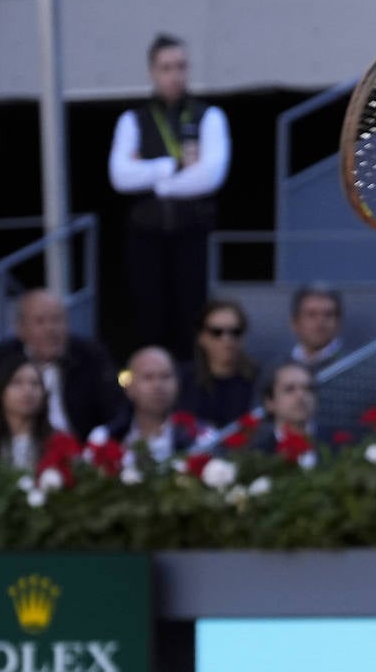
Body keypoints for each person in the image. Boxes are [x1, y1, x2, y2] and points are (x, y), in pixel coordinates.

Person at [108, 33, 231, 361]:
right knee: (147, 318)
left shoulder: (209, 116)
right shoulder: (132, 120)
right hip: (146, 237)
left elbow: (209, 176)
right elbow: (120, 177)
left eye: (181, 66)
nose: (174, 75)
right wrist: (174, 166)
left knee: (194, 318)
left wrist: (154, 179)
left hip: (192, 235)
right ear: (152, 72)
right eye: (166, 67)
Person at [0, 288, 121, 442]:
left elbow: (117, 411)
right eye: (40, 321)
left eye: (57, 320)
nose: (51, 329)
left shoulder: (90, 356)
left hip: (78, 457)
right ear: (21, 328)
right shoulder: (0, 361)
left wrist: (100, 438)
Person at [88, 345, 202, 461]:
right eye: (148, 377)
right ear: (129, 388)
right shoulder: (103, 439)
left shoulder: (201, 438)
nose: (158, 386)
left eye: (165, 376)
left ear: (178, 384)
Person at [175, 298, 259, 430]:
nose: (227, 339)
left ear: (242, 337)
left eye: (235, 332)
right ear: (202, 337)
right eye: (216, 332)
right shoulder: (181, 380)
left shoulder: (260, 380)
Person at [0, 357, 58, 470]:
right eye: (17, 382)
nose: (28, 390)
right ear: (1, 391)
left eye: (35, 384)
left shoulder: (58, 441)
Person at [251, 361, 318, 452]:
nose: (301, 395)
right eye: (289, 389)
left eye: (308, 389)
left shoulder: (339, 445)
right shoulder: (257, 454)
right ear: (270, 402)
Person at [286, 282, 345, 372]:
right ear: (295, 322)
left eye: (328, 314)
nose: (320, 322)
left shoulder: (352, 365)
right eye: (311, 314)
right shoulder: (278, 370)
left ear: (338, 322)